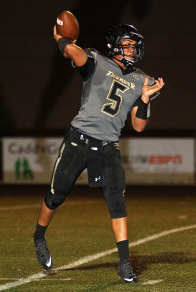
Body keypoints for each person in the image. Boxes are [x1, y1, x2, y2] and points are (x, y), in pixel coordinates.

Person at [33, 23, 165, 283]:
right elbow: (73, 51)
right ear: (115, 44)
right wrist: (63, 38)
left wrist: (146, 98)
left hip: (108, 146)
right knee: (55, 195)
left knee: (117, 204)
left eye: (135, 45)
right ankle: (39, 235)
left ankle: (125, 263)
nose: (133, 49)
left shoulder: (141, 79)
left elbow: (138, 126)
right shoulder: (96, 61)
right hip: (78, 140)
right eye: (128, 43)